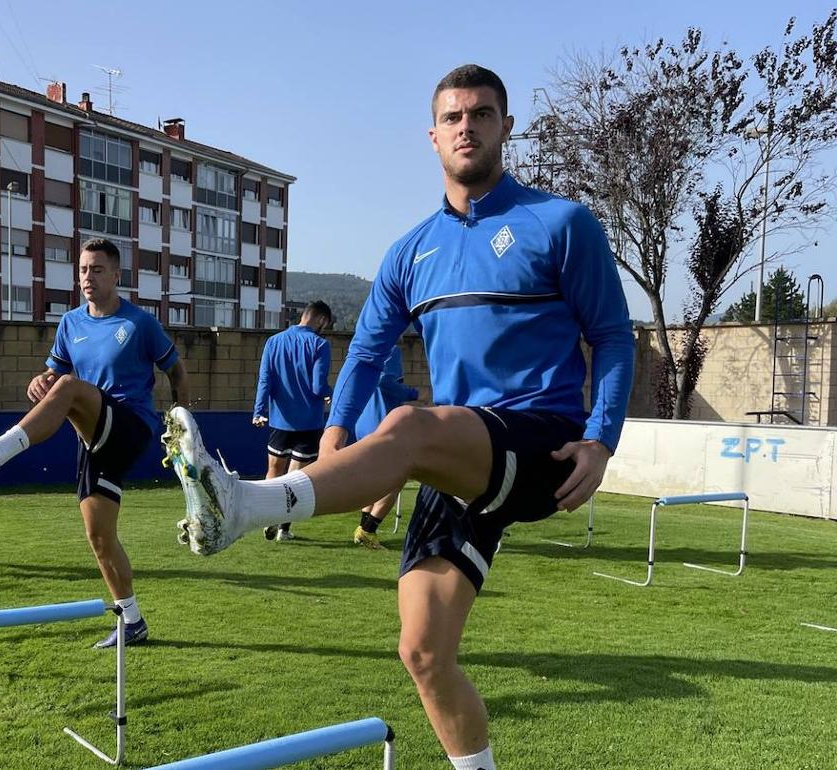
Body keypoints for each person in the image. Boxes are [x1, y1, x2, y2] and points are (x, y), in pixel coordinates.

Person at [162, 64, 634, 770]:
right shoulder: (412, 251)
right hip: (462, 459)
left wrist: (600, 441)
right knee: (421, 652)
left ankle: (244, 505)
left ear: (506, 126)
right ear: (433, 135)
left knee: (411, 428)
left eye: (481, 114)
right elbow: (365, 353)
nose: (466, 126)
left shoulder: (561, 224)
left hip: (539, 444)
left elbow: (614, 337)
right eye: (453, 117)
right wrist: (333, 435)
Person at [0, 237, 189, 649]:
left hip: (130, 425)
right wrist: (36, 383)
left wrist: (184, 428)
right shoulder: (70, 324)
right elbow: (50, 378)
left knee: (71, 388)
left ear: (117, 275)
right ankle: (132, 621)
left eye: (97, 270)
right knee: (99, 536)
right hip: (92, 435)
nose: (87, 278)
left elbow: (176, 371)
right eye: (82, 270)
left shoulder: (139, 323)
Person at [251, 301, 333, 541]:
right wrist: (330, 393)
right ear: (321, 320)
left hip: (279, 421)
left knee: (273, 472)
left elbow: (264, 380)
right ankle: (283, 529)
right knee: (294, 479)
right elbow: (318, 386)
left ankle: (268, 519)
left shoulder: (273, 342)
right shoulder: (320, 344)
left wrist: (259, 411)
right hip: (309, 422)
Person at [350, 344, 419, 550]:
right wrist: (413, 393)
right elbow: (385, 381)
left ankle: (363, 529)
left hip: (363, 422)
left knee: (374, 480)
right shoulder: (392, 350)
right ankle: (368, 530)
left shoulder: (364, 349)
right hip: (381, 425)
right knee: (395, 480)